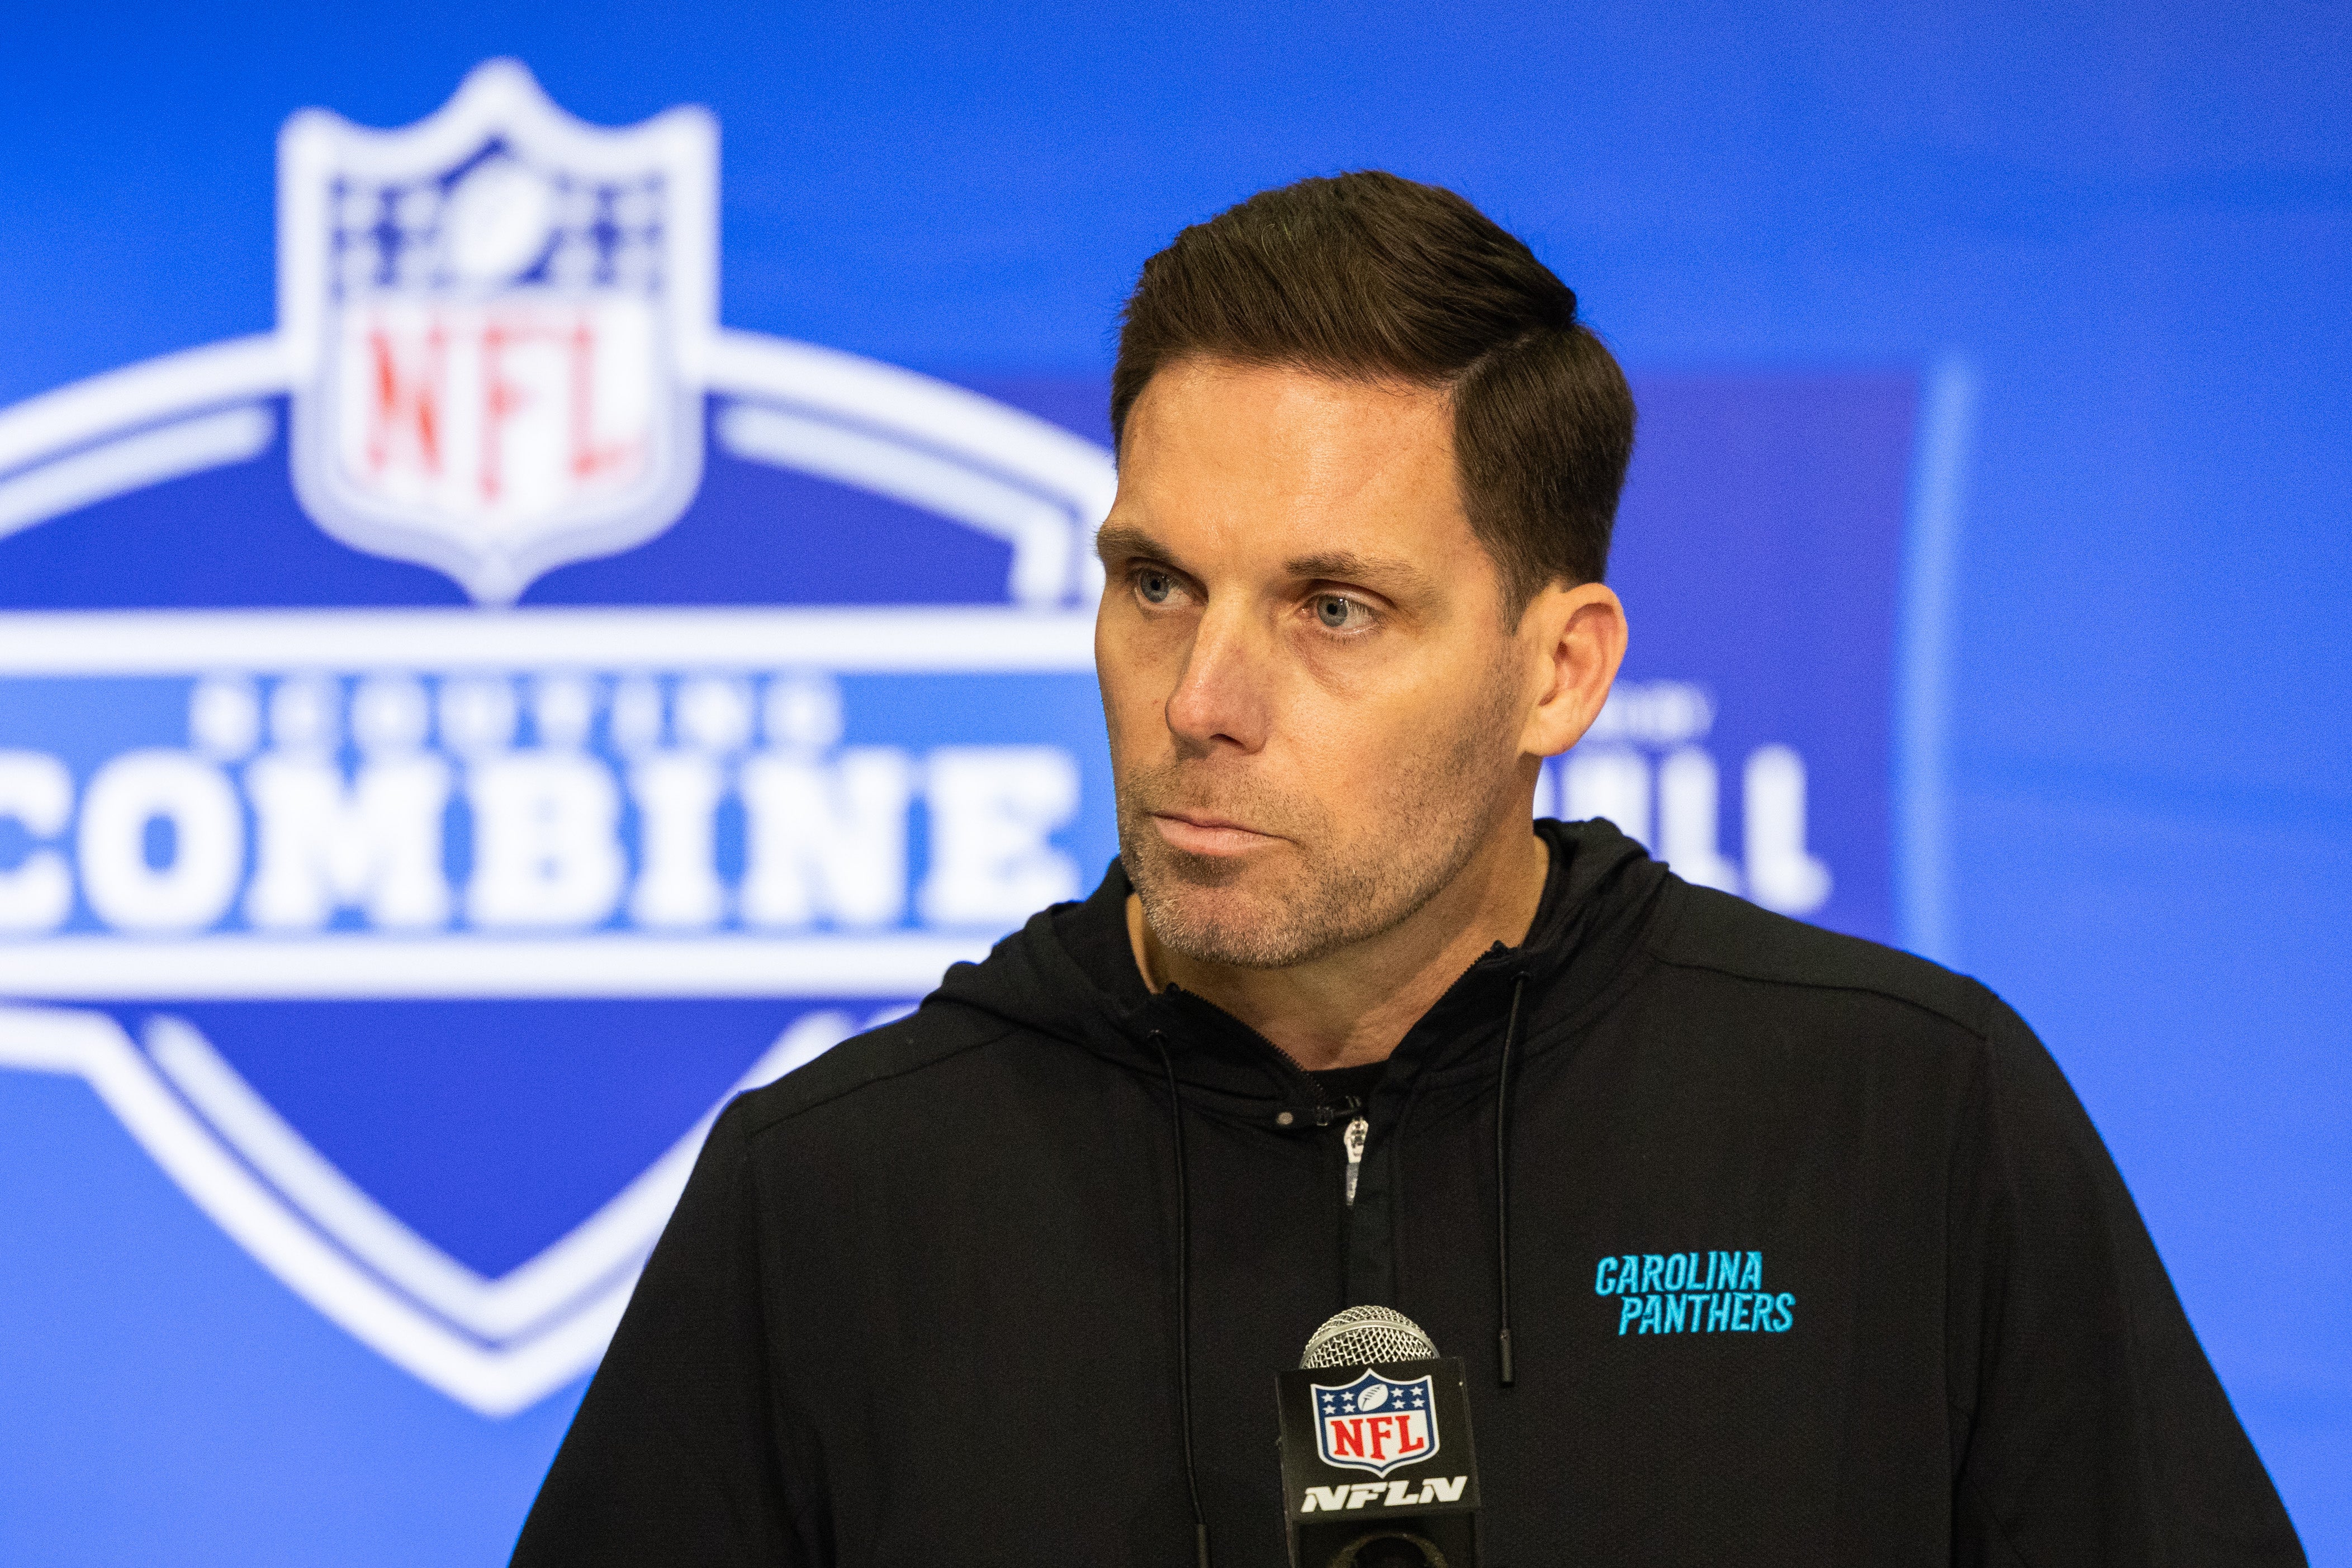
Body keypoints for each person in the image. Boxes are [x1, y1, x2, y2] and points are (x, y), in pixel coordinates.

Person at [513, 172, 2303, 1566]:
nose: (1201, 702)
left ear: (1561, 672)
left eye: (1335, 609)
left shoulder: (1907, 1117)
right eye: (1155, 585)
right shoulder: (831, 1194)